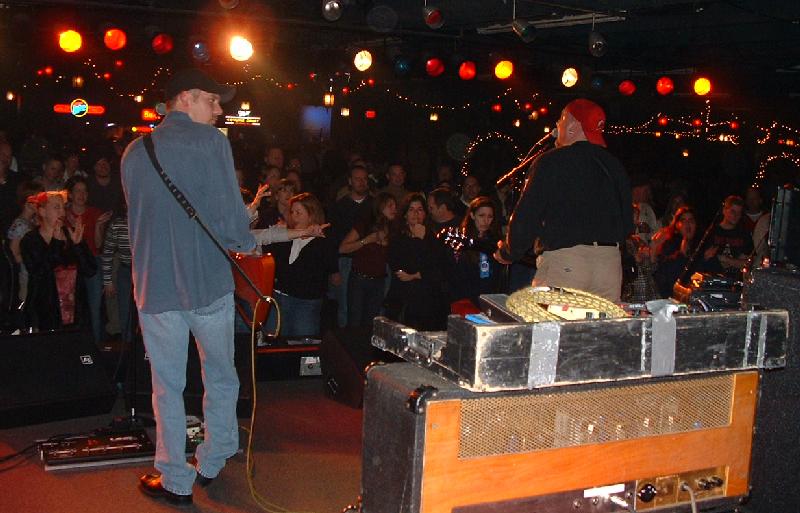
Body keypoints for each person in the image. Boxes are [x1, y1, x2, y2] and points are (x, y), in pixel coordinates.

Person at [120, 68, 327, 505]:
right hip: (207, 285)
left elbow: (142, 223)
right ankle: (213, 457)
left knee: (166, 386)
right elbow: (234, 229)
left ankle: (174, 478)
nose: (219, 111)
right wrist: (251, 239)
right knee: (220, 374)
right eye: (213, 101)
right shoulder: (212, 143)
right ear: (186, 98)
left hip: (155, 289)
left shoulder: (134, 153)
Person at [495, 98, 633, 302]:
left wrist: (509, 251)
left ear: (571, 126)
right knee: (600, 332)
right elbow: (627, 222)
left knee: (552, 330)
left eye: (560, 120)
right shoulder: (613, 164)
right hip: (609, 266)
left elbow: (528, 213)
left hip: (568, 263)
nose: (556, 126)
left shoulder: (551, 161)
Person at [20, 191, 96, 331]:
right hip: (46, 314)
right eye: (56, 207)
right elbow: (39, 272)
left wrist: (79, 246)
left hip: (76, 314)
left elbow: (90, 270)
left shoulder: (71, 235)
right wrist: (55, 244)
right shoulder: (31, 240)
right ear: (42, 211)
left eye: (63, 207)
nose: (62, 212)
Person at [339, 192, 397, 328]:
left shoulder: (394, 229)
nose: (394, 209)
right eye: (390, 206)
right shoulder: (365, 224)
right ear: (380, 207)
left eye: (395, 206)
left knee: (371, 323)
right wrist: (366, 240)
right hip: (360, 280)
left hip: (379, 281)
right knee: (354, 321)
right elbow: (342, 248)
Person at [700, 195, 753, 279]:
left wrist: (726, 259)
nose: (736, 215)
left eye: (739, 213)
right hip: (712, 281)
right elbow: (704, 257)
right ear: (724, 210)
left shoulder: (744, 234)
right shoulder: (711, 232)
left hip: (736, 283)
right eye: (733, 211)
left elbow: (747, 263)